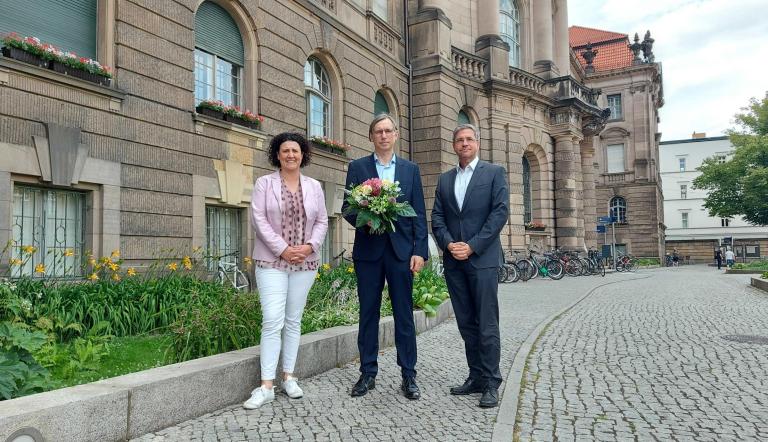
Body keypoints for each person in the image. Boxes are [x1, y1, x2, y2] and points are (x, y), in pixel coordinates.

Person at [342, 113, 429, 400]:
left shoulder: (410, 169)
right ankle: (368, 373)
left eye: (388, 131)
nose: (383, 135)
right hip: (369, 251)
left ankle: (409, 375)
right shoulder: (358, 167)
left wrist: (420, 250)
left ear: (395, 135)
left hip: (401, 252)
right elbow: (347, 208)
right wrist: (364, 219)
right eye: (378, 131)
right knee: (368, 314)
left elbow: (417, 210)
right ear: (371, 136)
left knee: (404, 315)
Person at [244, 132, 328, 409]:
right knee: (272, 319)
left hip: (305, 263)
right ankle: (266, 385)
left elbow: (323, 221)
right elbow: (259, 219)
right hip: (271, 262)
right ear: (277, 155)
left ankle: (288, 376)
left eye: (295, 150)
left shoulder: (314, 185)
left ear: (303, 154)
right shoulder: (264, 183)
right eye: (285, 151)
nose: (291, 155)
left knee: (293, 320)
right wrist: (283, 249)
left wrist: (308, 247)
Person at [431, 123, 509, 408]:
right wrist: (450, 244)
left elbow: (500, 213)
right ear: (454, 145)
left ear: (477, 142)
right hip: (454, 260)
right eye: (459, 140)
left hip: (483, 259)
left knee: (487, 323)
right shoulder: (445, 180)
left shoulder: (494, 173)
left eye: (469, 139)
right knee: (466, 322)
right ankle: (475, 376)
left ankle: (491, 382)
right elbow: (437, 218)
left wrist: (473, 245)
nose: (464, 144)